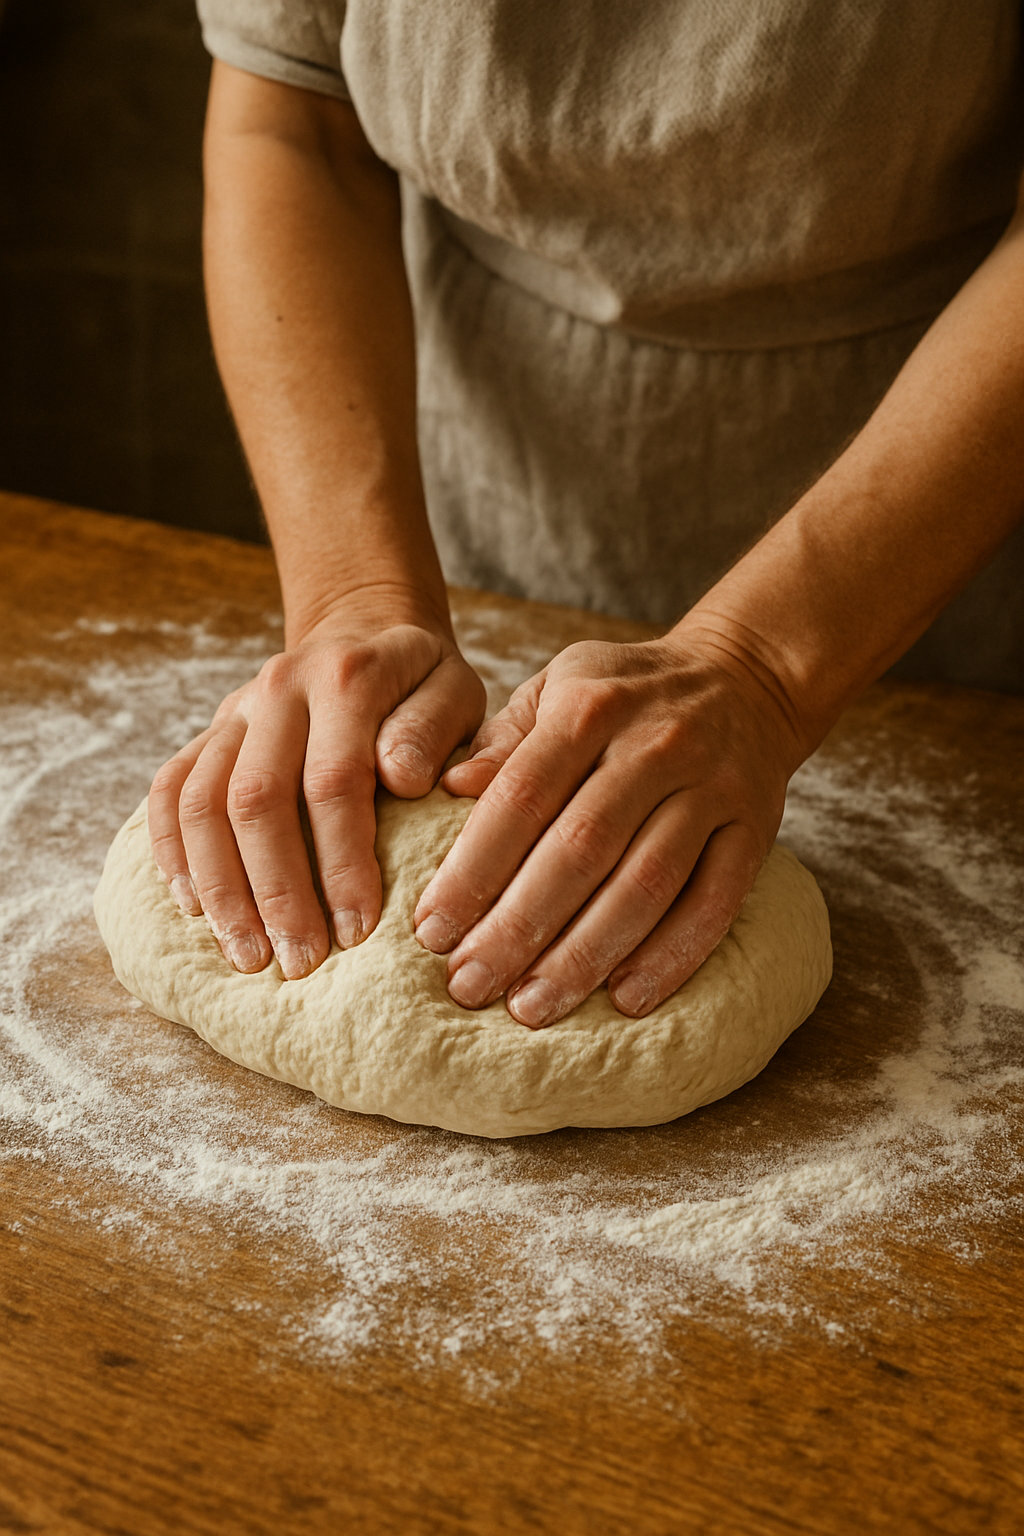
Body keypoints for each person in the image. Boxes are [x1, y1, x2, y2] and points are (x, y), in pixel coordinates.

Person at [149, 1, 1024, 1029]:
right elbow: (293, 114)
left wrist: (762, 666)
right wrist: (358, 594)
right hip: (472, 465)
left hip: (932, 511)